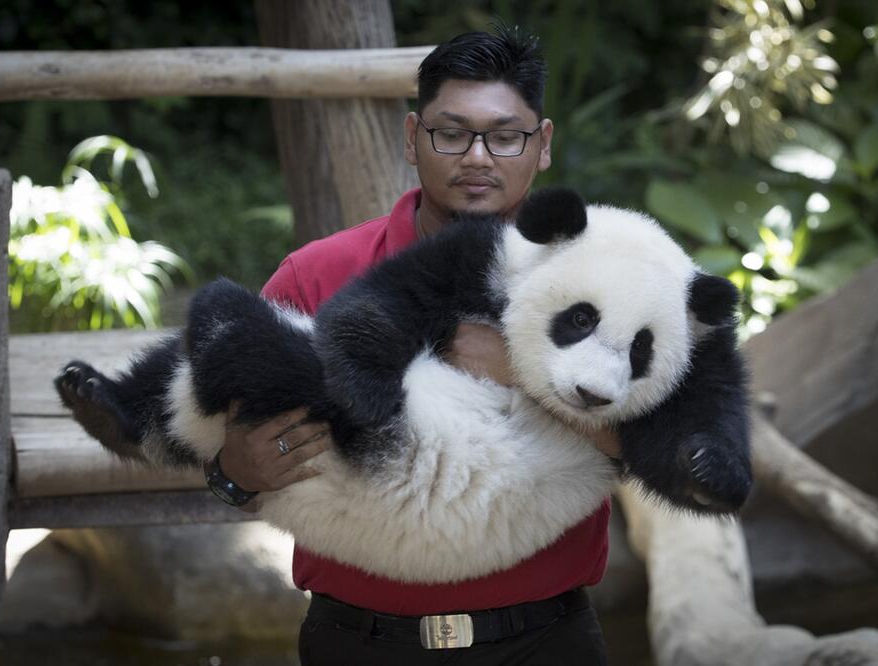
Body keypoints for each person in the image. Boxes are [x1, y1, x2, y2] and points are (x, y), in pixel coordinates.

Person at [207, 26, 619, 665]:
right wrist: (234, 475)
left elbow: (666, 446)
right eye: (451, 133)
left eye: (505, 136)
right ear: (410, 138)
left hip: (545, 641)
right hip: (359, 641)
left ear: (542, 146)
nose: (477, 157)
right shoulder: (314, 276)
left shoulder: (607, 282)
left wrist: (526, 371)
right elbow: (227, 455)